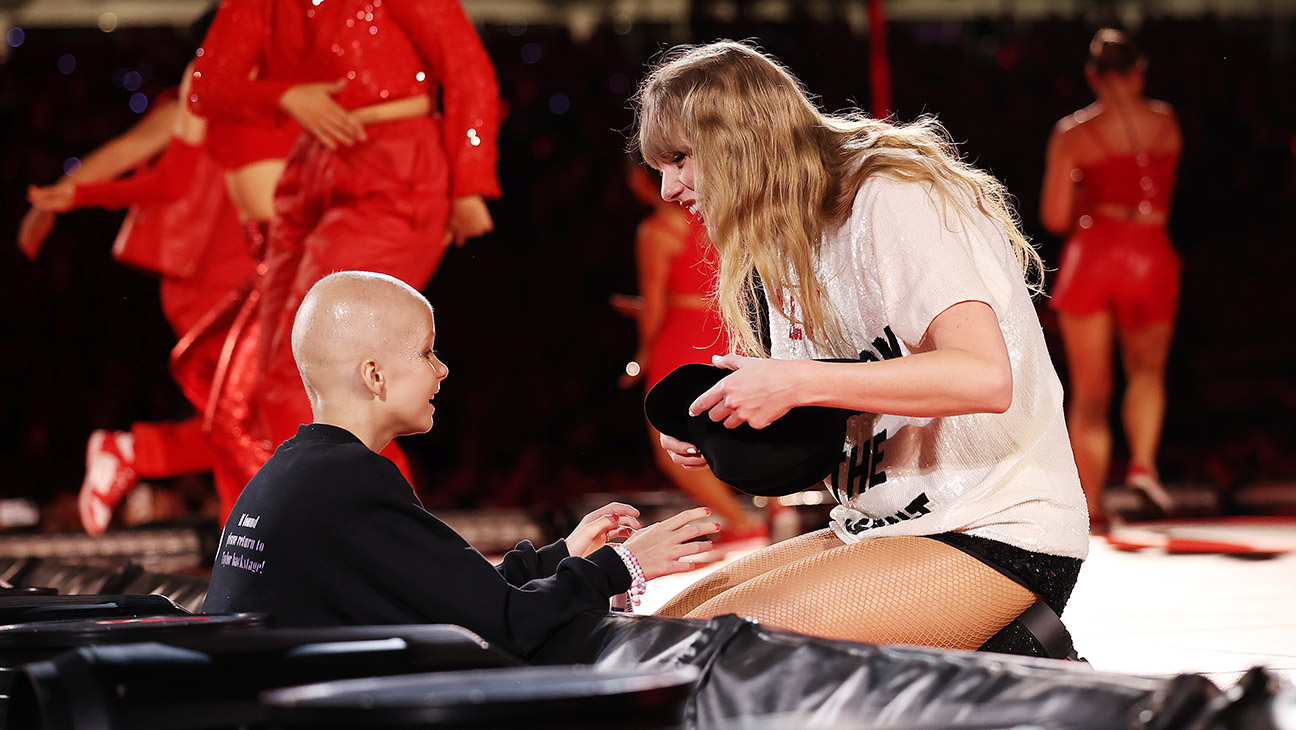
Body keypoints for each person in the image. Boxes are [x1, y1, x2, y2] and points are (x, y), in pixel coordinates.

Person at [633, 41, 1089, 651]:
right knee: (654, 642)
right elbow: (838, 423)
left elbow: (983, 376)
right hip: (875, 530)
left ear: (738, 138)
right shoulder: (783, 238)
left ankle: (1014, 660)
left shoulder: (890, 196)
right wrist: (728, 425)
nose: (667, 189)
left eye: (680, 159)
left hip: (995, 531)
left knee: (711, 653)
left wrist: (795, 382)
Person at [203, 271, 718, 657]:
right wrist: (623, 565)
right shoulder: (350, 482)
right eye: (427, 353)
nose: (443, 369)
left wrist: (561, 554)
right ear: (375, 376)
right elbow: (505, 624)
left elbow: (451, 589)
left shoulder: (296, 471)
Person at [188, 0, 500, 481]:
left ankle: (385, 536)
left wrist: (469, 182)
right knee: (277, 381)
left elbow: (465, 65)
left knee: (327, 379)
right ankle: (337, 532)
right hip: (311, 171)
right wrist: (287, 96)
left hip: (396, 168)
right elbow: (206, 89)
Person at [22, 52, 261, 533]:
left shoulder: (274, 106)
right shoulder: (196, 103)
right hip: (207, 292)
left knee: (257, 422)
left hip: (256, 287)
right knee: (246, 422)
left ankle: (132, 454)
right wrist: (61, 197)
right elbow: (126, 151)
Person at [1040, 29, 1181, 533]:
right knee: (1146, 373)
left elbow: (1056, 216)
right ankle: (1143, 462)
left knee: (1091, 393)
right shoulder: (1166, 121)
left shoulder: (1072, 133)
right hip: (1150, 252)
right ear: (1139, 69)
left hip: (1095, 254)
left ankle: (1092, 507)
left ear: (1092, 75)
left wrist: (1083, 197)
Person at [617, 162, 765, 545]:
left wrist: (642, 356)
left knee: (669, 443)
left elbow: (655, 304)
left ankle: (740, 522)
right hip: (721, 327)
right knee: (731, 424)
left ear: (637, 180)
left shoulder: (656, 231)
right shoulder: (712, 220)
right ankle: (774, 507)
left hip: (680, 337)